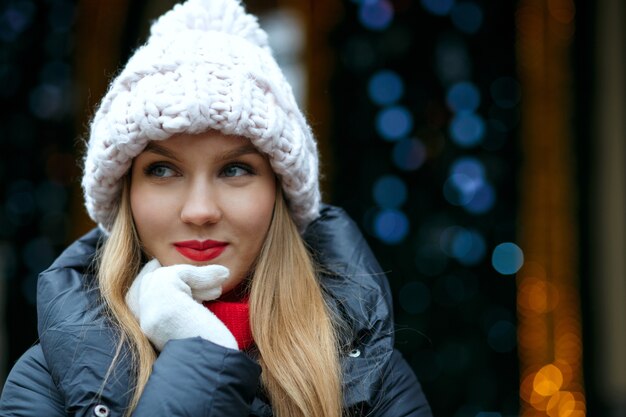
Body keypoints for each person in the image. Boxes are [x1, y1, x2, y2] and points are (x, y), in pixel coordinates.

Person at [0, 0, 433, 416]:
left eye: (235, 169)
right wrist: (204, 362)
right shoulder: (46, 382)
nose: (201, 211)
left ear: (279, 192)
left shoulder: (374, 379)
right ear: (125, 194)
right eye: (164, 171)